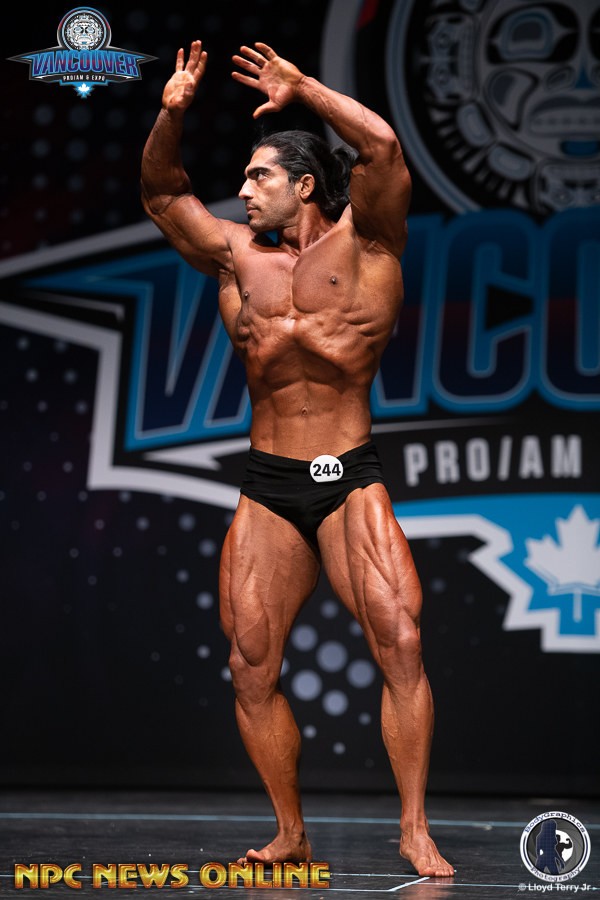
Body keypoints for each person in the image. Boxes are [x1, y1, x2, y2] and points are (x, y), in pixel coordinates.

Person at [141, 39, 454, 878]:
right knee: (250, 666)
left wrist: (303, 86)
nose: (243, 191)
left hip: (346, 476)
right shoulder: (234, 257)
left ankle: (414, 827)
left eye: (259, 177)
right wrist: (170, 115)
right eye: (243, 180)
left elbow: (381, 146)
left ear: (305, 184)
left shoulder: (370, 242)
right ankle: (290, 832)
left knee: (400, 641)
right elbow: (162, 193)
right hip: (271, 484)